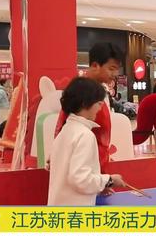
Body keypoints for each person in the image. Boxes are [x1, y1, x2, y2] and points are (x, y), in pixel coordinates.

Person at [48, 77, 126, 206]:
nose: (100, 107)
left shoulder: (65, 131)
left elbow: (67, 174)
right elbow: (80, 179)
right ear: (85, 103)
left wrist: (99, 187)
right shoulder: (85, 135)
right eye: (99, 103)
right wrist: (109, 180)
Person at [55, 43, 125, 169]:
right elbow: (62, 125)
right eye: (111, 68)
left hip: (97, 164)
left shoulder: (100, 91)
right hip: (84, 167)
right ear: (95, 66)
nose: (115, 73)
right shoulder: (80, 91)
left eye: (117, 69)